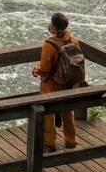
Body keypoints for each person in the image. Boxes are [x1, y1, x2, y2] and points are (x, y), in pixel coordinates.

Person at [31, 11, 82, 151]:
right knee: (68, 112)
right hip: (69, 84)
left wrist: (36, 69)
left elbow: (46, 69)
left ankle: (49, 143)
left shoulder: (49, 45)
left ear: (53, 27)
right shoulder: (74, 41)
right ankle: (71, 141)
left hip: (52, 85)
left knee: (48, 114)